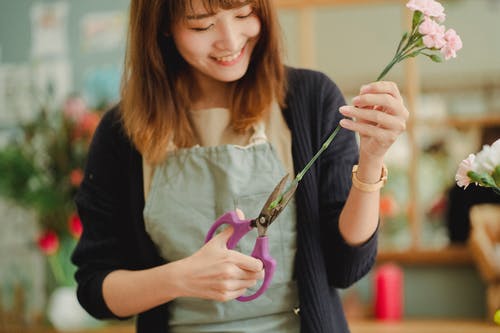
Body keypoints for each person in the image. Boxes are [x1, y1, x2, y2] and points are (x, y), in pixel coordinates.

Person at [71, 0, 409, 332]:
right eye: (201, 24)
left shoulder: (311, 100)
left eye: (244, 13)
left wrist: (372, 160)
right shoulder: (121, 132)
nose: (230, 41)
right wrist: (179, 278)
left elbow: (346, 268)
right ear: (162, 26)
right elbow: (95, 290)